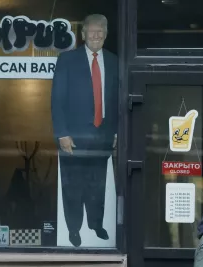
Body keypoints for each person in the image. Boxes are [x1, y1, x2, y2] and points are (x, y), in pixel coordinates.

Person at [51, 14, 118, 247]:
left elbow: (117, 100)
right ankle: (74, 230)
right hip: (73, 138)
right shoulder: (67, 60)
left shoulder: (114, 61)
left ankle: (96, 225)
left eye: (101, 31)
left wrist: (117, 132)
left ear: (106, 34)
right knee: (73, 187)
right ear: (83, 34)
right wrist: (62, 133)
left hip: (103, 137)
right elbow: (57, 100)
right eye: (92, 31)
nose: (96, 35)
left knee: (98, 186)